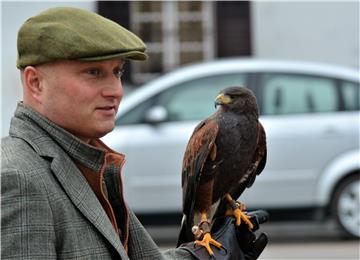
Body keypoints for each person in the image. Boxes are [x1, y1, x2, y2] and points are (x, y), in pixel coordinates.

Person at [1, 7, 267, 259]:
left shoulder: (85, 163)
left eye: (117, 71)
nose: (115, 91)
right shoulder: (18, 178)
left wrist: (197, 258)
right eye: (93, 72)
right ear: (36, 83)